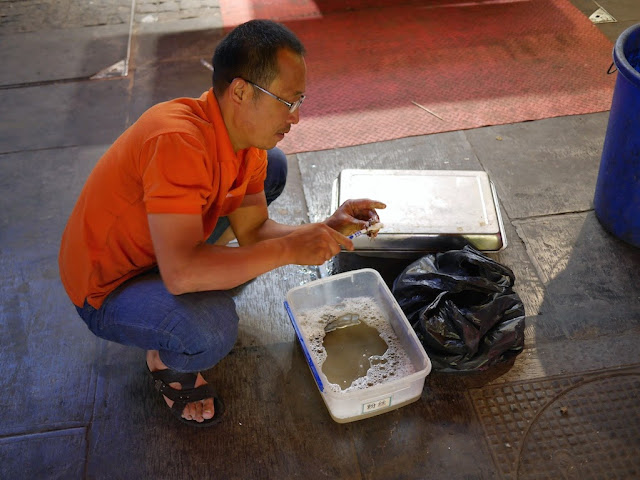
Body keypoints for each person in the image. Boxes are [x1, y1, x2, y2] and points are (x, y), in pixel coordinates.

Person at [58, 19, 385, 427]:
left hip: (161, 253)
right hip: (106, 288)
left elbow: (254, 232)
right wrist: (288, 249)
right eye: (287, 101)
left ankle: (182, 288)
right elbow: (180, 275)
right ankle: (165, 362)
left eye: (300, 100)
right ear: (241, 92)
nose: (296, 117)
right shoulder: (176, 141)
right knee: (211, 328)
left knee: (274, 170)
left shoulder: (244, 140)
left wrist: (325, 228)